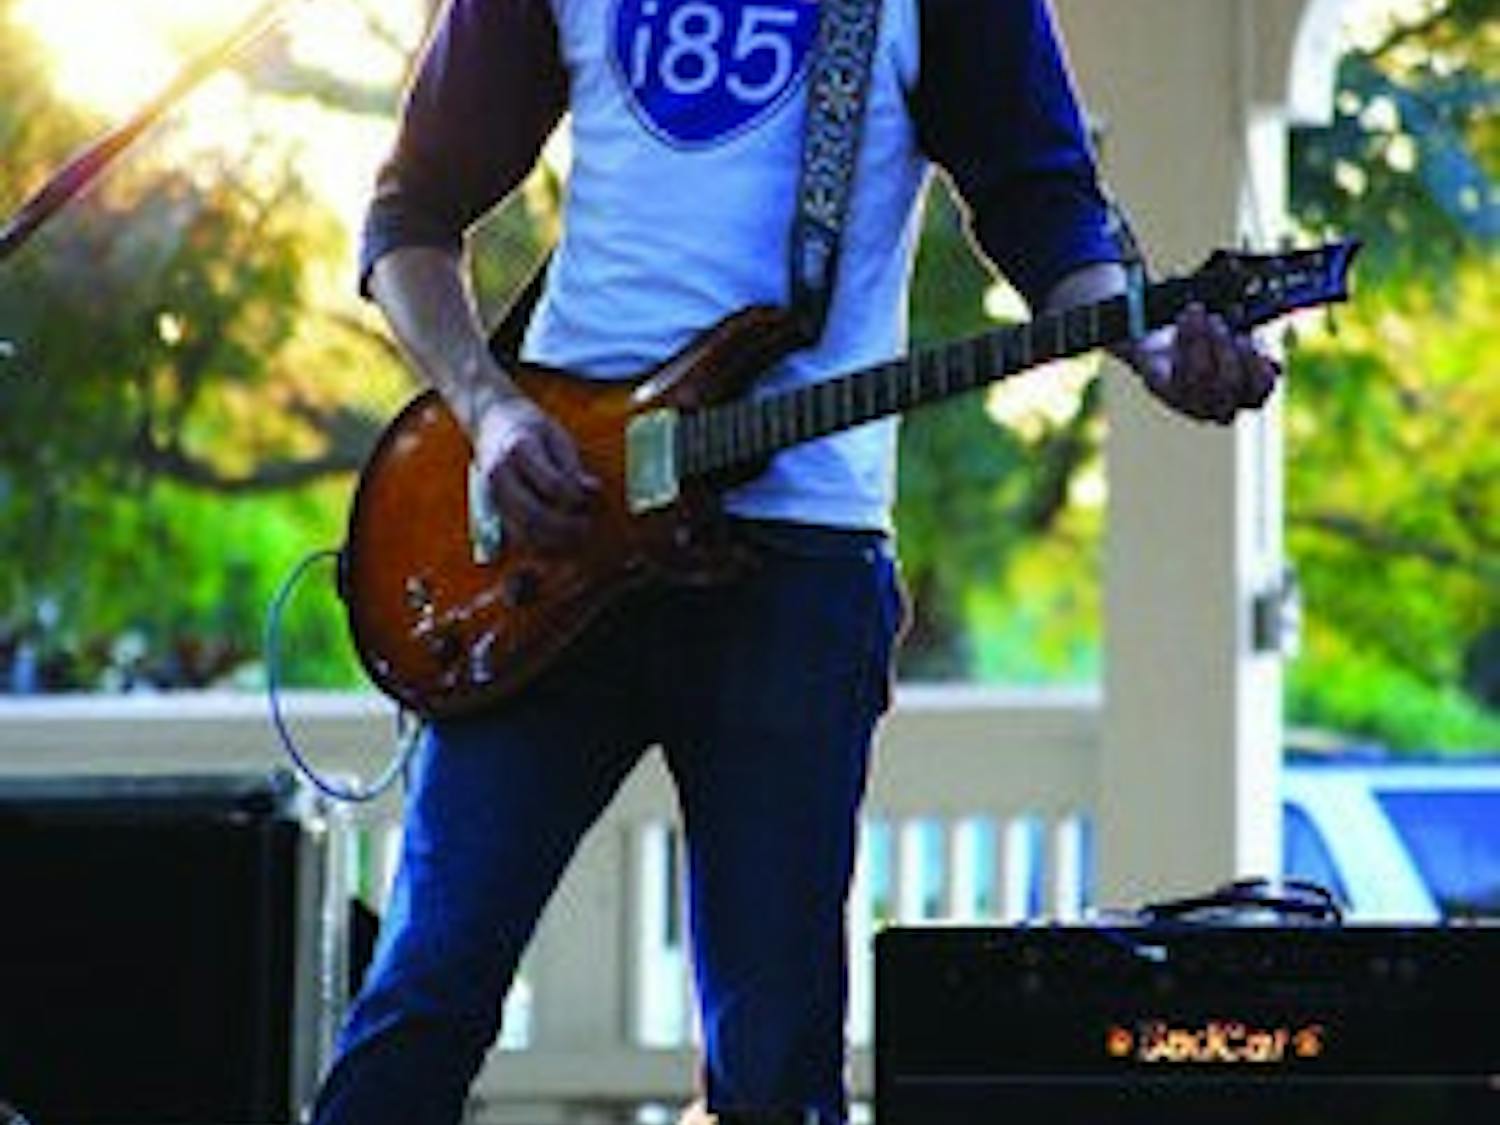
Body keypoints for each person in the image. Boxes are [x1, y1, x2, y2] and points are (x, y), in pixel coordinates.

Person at [312, 0, 1279, 1122]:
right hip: (550, 531)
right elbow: (408, 217)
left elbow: (1045, 203)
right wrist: (489, 410)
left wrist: (1145, 336)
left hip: (797, 562)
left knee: (773, 1053)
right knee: (426, 991)